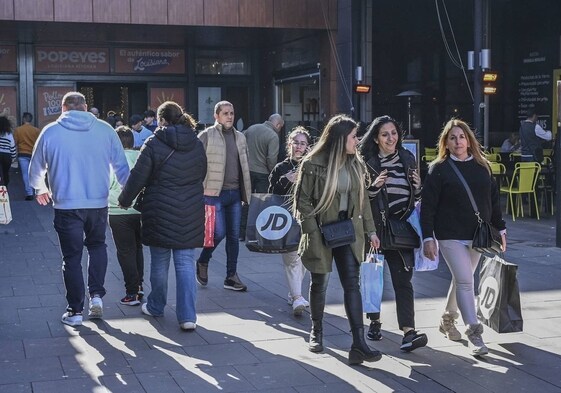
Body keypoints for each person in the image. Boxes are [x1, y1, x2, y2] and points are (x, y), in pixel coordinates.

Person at [28, 91, 129, 326]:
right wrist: (128, 194)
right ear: (85, 107)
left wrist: (40, 188)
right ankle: (96, 296)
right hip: (98, 203)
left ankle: (74, 311)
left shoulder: (51, 131)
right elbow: (121, 166)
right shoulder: (105, 129)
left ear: (63, 108)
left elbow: (35, 168)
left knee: (71, 258)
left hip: (66, 204)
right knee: (97, 246)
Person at [293, 114, 382, 365]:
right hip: (322, 231)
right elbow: (302, 201)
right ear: (340, 138)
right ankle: (316, 331)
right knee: (319, 281)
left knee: (351, 284)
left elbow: (363, 201)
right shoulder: (313, 163)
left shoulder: (356, 163)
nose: (358, 140)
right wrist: (312, 229)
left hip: (348, 231)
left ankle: (358, 343)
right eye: (354, 136)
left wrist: (371, 231)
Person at [421, 118, 507, 356]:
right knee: (467, 282)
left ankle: (447, 319)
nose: (458, 141)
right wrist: (428, 237)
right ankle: (474, 332)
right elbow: (428, 206)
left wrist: (500, 229)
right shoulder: (439, 169)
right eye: (452, 138)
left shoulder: (482, 166)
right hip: (450, 235)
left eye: (461, 137)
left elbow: (493, 200)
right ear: (445, 143)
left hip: (477, 235)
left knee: (463, 279)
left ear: (469, 140)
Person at [118, 101, 207, 331]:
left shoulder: (154, 142)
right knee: (186, 264)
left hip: (159, 210)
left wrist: (125, 200)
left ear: (161, 120)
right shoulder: (196, 144)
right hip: (190, 211)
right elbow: (201, 174)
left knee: (159, 262)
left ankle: (156, 305)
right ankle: (188, 316)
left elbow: (138, 176)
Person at [358, 115, 427, 352]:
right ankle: (375, 321)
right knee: (373, 278)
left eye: (394, 133)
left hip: (401, 229)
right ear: (376, 139)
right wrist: (374, 187)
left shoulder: (408, 158)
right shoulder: (367, 162)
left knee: (403, 282)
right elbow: (362, 200)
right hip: (376, 229)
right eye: (385, 134)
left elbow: (416, 199)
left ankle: (409, 332)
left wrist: (418, 188)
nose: (391, 138)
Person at [196, 101, 251, 291]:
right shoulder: (206, 135)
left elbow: (244, 165)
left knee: (234, 236)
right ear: (216, 116)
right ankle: (203, 260)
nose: (229, 116)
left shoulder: (240, 137)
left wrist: (246, 193)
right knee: (218, 233)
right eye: (225, 113)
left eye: (232, 112)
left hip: (234, 193)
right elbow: (196, 162)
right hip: (212, 194)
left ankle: (231, 276)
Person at [268, 126, 310, 315]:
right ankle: (297, 297)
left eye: (303, 143)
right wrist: (286, 179)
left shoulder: (311, 166)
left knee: (304, 259)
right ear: (289, 144)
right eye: (296, 143)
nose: (299, 147)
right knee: (292, 258)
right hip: (286, 219)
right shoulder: (281, 168)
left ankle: (294, 293)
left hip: (308, 218)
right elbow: (272, 194)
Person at [108, 126, 144, 306]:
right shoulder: (141, 158)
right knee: (138, 248)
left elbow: (106, 185)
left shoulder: (112, 161)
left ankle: (132, 291)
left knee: (125, 252)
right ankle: (140, 285)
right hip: (140, 210)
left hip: (117, 210)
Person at [245, 113, 284, 193]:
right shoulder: (273, 136)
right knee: (261, 201)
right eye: (281, 127)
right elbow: (271, 158)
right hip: (262, 174)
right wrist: (273, 173)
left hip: (247, 170)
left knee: (246, 199)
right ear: (278, 125)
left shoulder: (251, 128)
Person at [14, 112, 40, 200]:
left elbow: (15, 142)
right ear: (31, 120)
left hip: (22, 154)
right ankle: (37, 190)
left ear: (23, 119)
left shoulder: (18, 130)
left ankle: (29, 193)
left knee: (25, 174)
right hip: (33, 154)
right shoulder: (36, 130)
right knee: (34, 173)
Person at [0, 116, 17, 187]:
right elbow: (12, 147)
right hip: (7, 156)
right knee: (5, 172)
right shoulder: (9, 134)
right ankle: (4, 188)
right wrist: (13, 157)